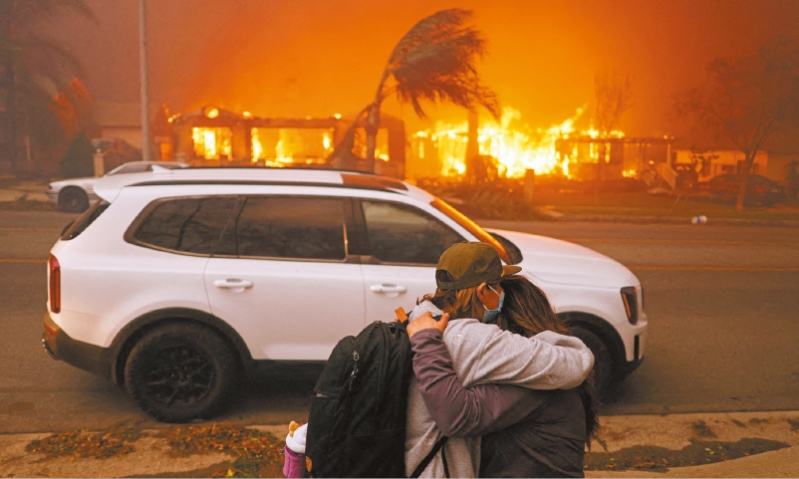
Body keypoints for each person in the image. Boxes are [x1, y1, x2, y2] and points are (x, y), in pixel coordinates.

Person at [402, 242, 594, 478]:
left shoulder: (419, 319)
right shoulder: (479, 341)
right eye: (498, 287)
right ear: (483, 291)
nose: (500, 293)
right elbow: (576, 362)